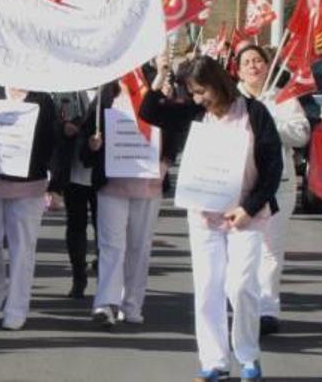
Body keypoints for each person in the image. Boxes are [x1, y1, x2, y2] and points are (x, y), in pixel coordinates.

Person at [139, 55, 283, 382]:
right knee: (207, 289)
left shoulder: (254, 113)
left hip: (246, 216)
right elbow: (149, 111)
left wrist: (249, 207)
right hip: (204, 216)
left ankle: (248, 356)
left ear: (218, 83)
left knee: (241, 286)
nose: (197, 98)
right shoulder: (196, 114)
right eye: (192, 92)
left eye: (202, 91)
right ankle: (215, 362)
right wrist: (161, 74)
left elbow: (273, 166)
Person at [0, 85, 65, 330]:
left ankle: (17, 307)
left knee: (22, 247)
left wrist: (55, 185)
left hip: (28, 184)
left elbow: (53, 140)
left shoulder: (42, 98)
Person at [235, 44, 309, 336]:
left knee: (270, 251)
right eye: (247, 62)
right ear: (238, 70)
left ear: (267, 66)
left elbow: (302, 134)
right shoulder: (232, 100)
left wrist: (269, 120)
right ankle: (244, 305)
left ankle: (267, 310)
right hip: (242, 187)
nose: (253, 66)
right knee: (243, 251)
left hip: (280, 187)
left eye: (258, 61)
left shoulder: (283, 98)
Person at [87, 80, 165, 328]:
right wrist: (92, 145)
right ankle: (105, 304)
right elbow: (86, 139)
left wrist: (166, 162)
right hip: (111, 184)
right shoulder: (105, 92)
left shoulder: (158, 87)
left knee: (139, 247)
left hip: (147, 183)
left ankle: (131, 303)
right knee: (111, 246)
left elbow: (175, 129)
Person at [53, 88, 99, 300]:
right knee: (76, 225)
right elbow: (51, 118)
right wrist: (64, 127)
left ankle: (105, 278)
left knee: (105, 228)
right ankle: (78, 277)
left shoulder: (110, 91)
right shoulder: (68, 87)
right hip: (74, 170)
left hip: (103, 172)